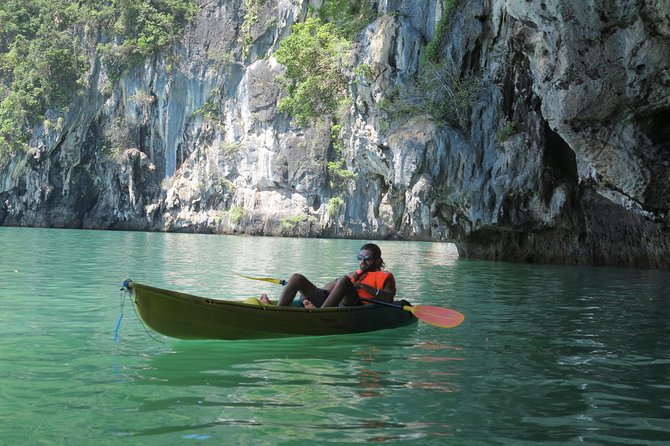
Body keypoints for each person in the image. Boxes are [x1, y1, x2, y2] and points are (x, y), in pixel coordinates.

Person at [260, 243, 396, 308]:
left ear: (377, 260)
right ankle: (277, 311)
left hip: (357, 306)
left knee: (343, 280)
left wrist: (360, 285)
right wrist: (342, 279)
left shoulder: (385, 276)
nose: (362, 261)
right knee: (296, 278)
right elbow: (324, 290)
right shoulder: (354, 275)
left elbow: (389, 298)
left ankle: (319, 316)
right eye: (360, 257)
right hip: (337, 304)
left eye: (367, 258)